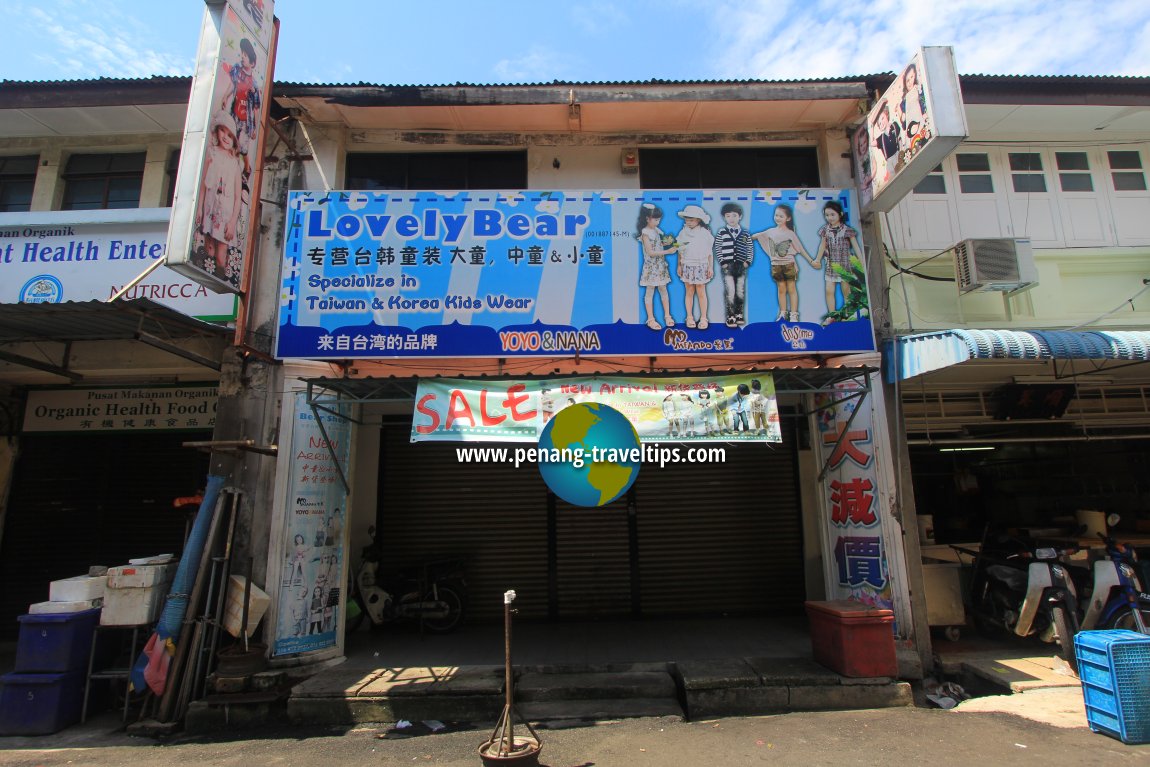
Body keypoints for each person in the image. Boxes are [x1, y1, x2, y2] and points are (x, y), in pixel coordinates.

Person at [196, 111, 243, 279]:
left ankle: (220, 278)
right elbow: (204, 184)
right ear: (217, 131)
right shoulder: (211, 153)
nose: (226, 137)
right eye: (223, 131)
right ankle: (208, 280)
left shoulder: (235, 163)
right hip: (210, 205)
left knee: (221, 253)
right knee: (209, 246)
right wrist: (200, 209)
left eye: (230, 135)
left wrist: (232, 222)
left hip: (226, 211)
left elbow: (238, 197)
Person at [752, 203, 814, 322]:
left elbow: (800, 249)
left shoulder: (790, 233)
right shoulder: (771, 231)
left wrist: (811, 261)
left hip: (789, 264)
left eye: (781, 216)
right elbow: (758, 236)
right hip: (776, 265)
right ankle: (783, 312)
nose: (777, 218)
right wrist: (746, 238)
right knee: (781, 288)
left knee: (791, 288)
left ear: (788, 218)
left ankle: (794, 314)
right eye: (776, 215)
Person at [813, 201, 864, 324]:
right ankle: (832, 315)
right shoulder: (825, 230)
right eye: (827, 215)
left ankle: (848, 314)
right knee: (829, 290)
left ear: (840, 214)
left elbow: (856, 246)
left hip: (845, 265)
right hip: (831, 264)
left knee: (846, 290)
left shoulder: (847, 230)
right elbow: (822, 246)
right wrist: (817, 259)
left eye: (832, 214)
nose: (829, 218)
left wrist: (861, 261)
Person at [218, 37, 261, 183]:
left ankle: (247, 167)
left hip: (246, 121)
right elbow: (232, 84)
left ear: (253, 62)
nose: (243, 56)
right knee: (233, 143)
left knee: (243, 147)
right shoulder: (237, 70)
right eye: (242, 53)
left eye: (246, 55)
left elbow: (256, 107)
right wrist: (225, 96)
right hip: (234, 115)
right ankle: (233, 170)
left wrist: (254, 127)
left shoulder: (254, 84)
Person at [636, 203, 679, 330]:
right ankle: (650, 319)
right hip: (651, 267)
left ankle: (667, 316)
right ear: (647, 219)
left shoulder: (656, 230)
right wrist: (668, 251)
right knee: (650, 291)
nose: (657, 222)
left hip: (660, 265)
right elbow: (650, 252)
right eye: (655, 219)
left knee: (663, 289)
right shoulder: (645, 233)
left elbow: (660, 243)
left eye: (659, 219)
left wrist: (669, 243)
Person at [712, 203, 754, 327]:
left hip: (741, 266)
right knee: (730, 291)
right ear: (724, 217)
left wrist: (748, 261)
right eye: (728, 216)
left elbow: (750, 248)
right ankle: (730, 315)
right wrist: (722, 262)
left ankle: (739, 314)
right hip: (728, 266)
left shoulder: (745, 233)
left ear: (740, 217)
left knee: (740, 291)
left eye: (734, 215)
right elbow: (718, 247)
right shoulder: (722, 232)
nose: (731, 218)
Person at [674, 204, 715, 330]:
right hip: (687, 264)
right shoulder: (682, 232)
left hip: (701, 265)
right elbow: (679, 249)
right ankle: (689, 316)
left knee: (701, 291)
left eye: (691, 220)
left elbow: (709, 252)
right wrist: (679, 265)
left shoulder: (705, 233)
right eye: (687, 220)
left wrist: (710, 267)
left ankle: (703, 317)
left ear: (698, 220)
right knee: (689, 291)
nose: (689, 222)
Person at [897, 62, 928, 152]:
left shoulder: (919, 89)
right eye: (907, 80)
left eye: (911, 77)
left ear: (915, 76)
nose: (910, 81)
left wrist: (925, 114)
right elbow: (904, 123)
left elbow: (924, 103)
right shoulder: (904, 101)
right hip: (910, 130)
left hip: (920, 122)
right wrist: (899, 112)